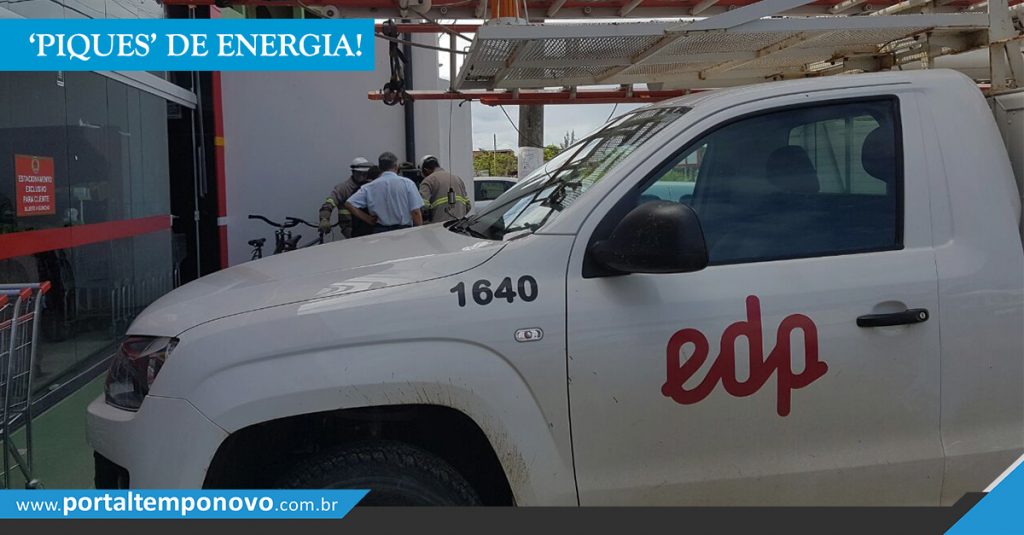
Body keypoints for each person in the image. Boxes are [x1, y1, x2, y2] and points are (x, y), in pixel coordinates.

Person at [344, 152, 424, 234]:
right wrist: (419, 232)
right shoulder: (408, 183)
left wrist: (368, 219)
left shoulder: (369, 187)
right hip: (403, 231)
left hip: (380, 231)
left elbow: (349, 204)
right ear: (396, 167)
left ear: (380, 168)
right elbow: (416, 212)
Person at [319, 157, 372, 238]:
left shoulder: (371, 186)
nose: (362, 176)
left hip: (368, 225)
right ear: (353, 172)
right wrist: (324, 219)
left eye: (364, 174)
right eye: (359, 173)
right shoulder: (343, 188)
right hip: (349, 226)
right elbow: (329, 203)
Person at [418, 155, 471, 223]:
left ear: (426, 170)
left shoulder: (427, 181)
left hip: (439, 225)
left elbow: (423, 207)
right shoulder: (457, 179)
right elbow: (468, 206)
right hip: (459, 224)